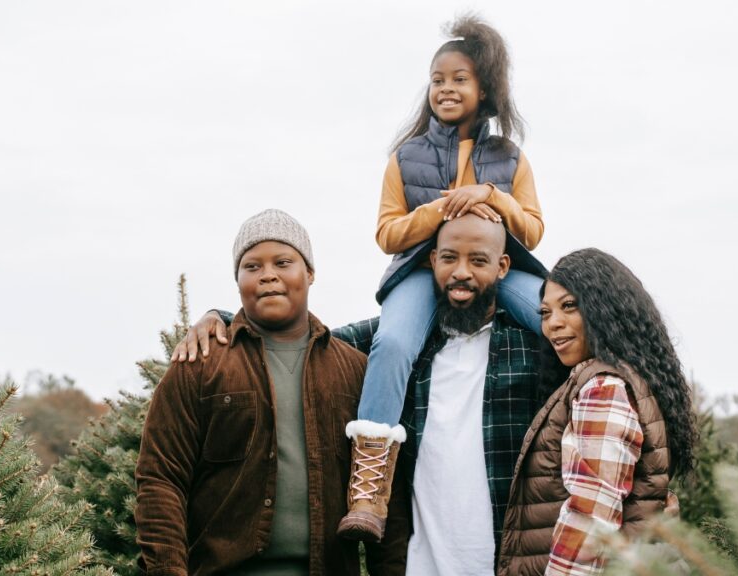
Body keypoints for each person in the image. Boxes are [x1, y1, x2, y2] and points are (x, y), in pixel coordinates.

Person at [174, 214, 546, 575]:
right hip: (419, 565)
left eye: (478, 261)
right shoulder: (397, 346)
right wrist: (220, 317)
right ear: (433, 261)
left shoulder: (532, 351)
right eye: (449, 258)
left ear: (502, 267)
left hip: (506, 559)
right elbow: (304, 338)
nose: (461, 272)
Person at [341, 14, 546, 541]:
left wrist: (491, 196)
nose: (446, 88)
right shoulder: (404, 157)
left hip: (495, 272)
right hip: (419, 269)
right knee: (392, 343)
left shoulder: (510, 158)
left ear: (485, 88)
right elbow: (388, 234)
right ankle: (368, 491)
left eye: (459, 79)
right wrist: (438, 212)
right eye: (438, 80)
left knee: (558, 316)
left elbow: (534, 230)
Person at [135, 209, 408, 576]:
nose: (268, 275)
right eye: (252, 267)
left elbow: (388, 494)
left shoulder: (354, 371)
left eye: (283, 262)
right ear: (238, 281)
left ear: (309, 273)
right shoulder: (200, 364)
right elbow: (161, 479)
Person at [497, 248, 698, 575]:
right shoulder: (631, 377)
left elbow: (590, 521)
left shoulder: (602, 389)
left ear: (604, 309)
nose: (553, 324)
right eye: (545, 313)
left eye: (569, 306)